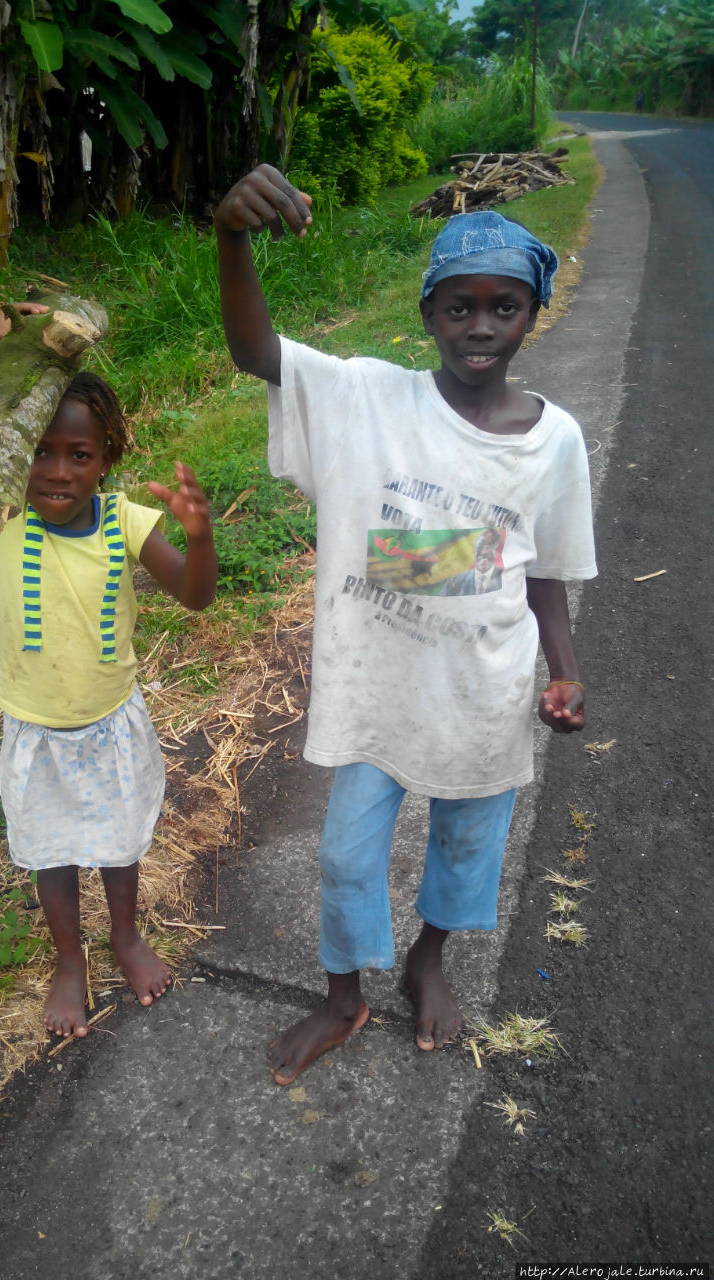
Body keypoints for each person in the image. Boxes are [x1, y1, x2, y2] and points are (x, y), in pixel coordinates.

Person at [214, 167, 596, 1083]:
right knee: (346, 855)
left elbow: (540, 570)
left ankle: (429, 959)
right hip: (377, 692)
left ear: (531, 316)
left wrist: (565, 669)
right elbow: (257, 352)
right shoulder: (367, 401)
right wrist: (230, 238)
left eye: (504, 307)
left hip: (486, 689)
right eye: (459, 307)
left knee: (468, 851)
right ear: (428, 313)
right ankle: (344, 996)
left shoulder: (558, 441)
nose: (480, 327)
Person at [0, 302, 218, 1038]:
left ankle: (124, 937)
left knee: (117, 846)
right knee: (52, 853)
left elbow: (195, 595)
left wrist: (199, 535)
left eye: (79, 455)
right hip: (35, 727)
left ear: (107, 458)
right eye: (41, 451)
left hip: (110, 722)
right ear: (16, 456)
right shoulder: (1, 510)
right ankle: (69, 962)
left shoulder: (125, 522)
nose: (57, 471)